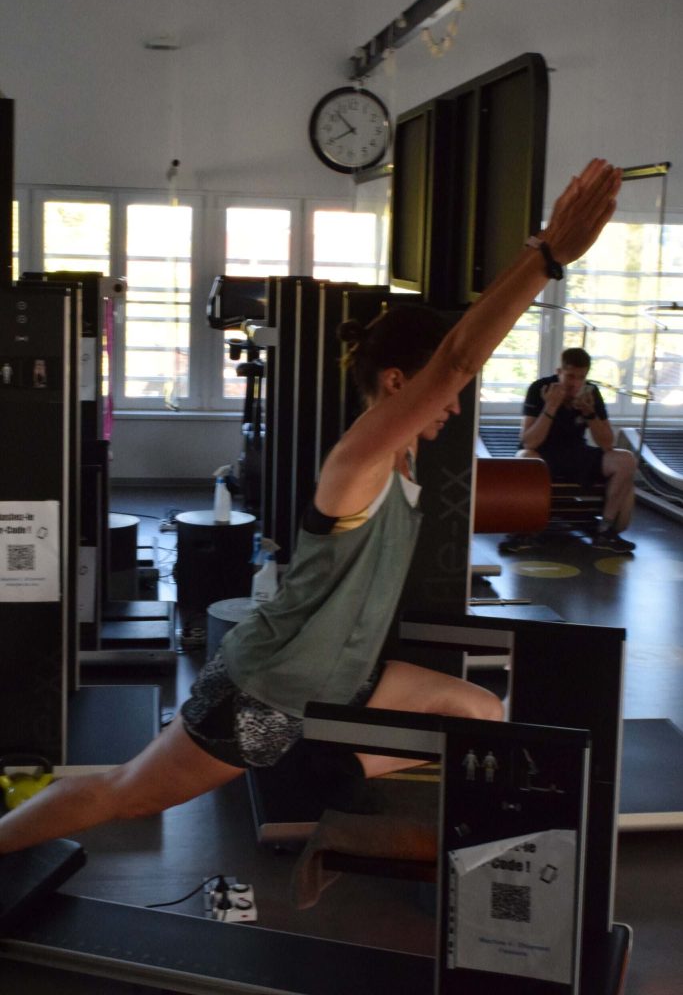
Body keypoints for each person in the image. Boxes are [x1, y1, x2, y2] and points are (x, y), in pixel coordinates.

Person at [0, 158, 621, 856]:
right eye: (443, 394)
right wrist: (543, 256)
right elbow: (455, 359)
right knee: (125, 794)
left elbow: (450, 367)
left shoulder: (405, 459)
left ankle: (333, 785)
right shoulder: (359, 459)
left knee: (479, 712)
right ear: (397, 383)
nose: (454, 406)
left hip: (342, 681)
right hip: (267, 691)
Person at [500, 346, 636, 554]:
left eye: (581, 377)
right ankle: (525, 531)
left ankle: (605, 531)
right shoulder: (540, 389)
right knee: (525, 457)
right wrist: (551, 407)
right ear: (559, 372)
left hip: (576, 452)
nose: (575, 383)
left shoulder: (590, 393)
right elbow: (529, 442)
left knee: (626, 460)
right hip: (543, 453)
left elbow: (607, 444)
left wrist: (590, 414)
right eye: (570, 376)